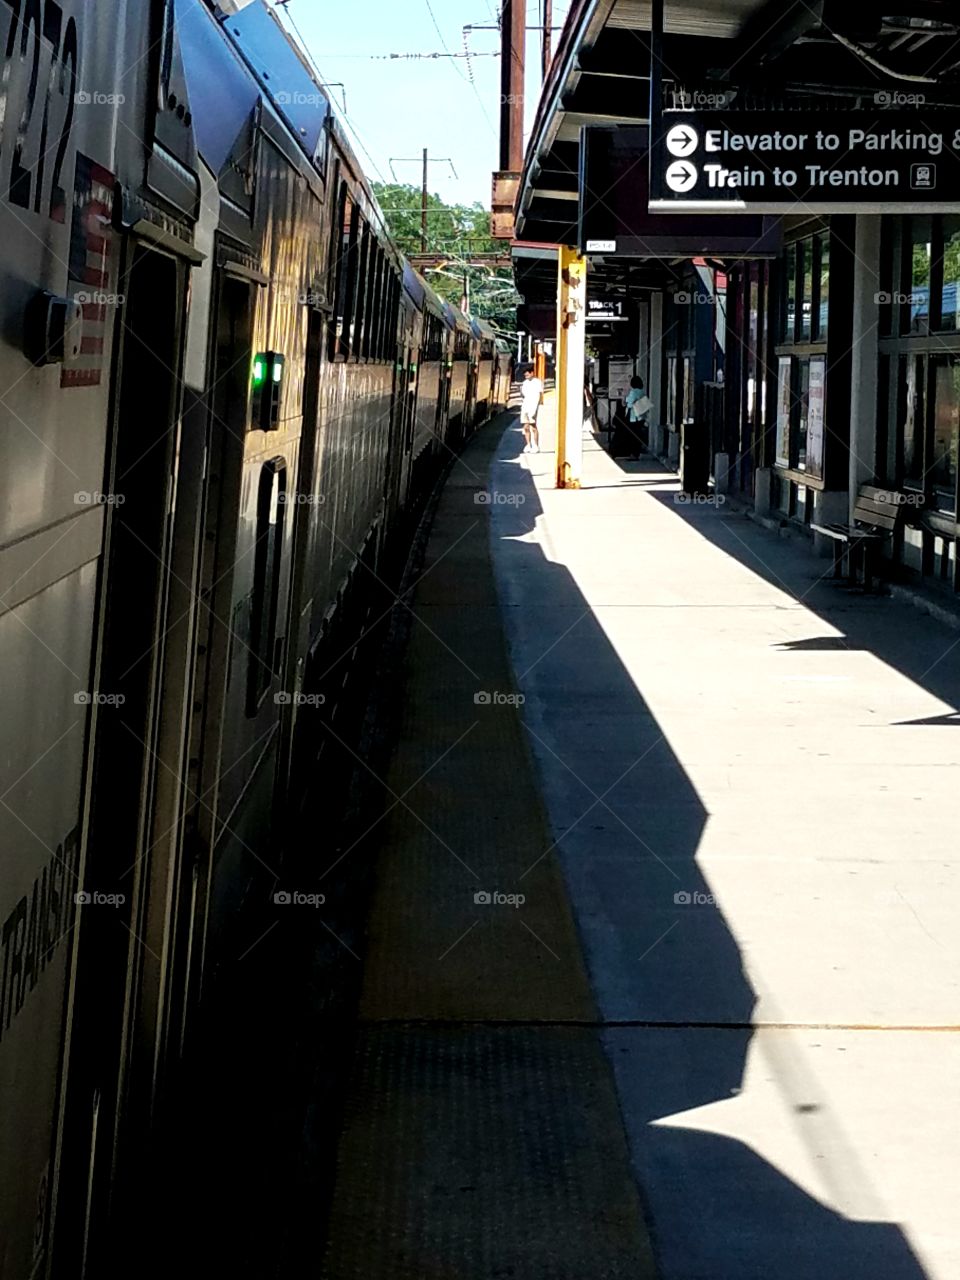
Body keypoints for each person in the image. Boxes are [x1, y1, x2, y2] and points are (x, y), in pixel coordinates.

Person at [520, 366, 544, 454]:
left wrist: (537, 407)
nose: (526, 376)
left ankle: (536, 445)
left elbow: (540, 395)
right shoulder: (524, 383)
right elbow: (523, 395)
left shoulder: (538, 382)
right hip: (525, 406)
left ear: (532, 373)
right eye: (525, 375)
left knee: (533, 426)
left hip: (533, 406)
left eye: (527, 374)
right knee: (526, 426)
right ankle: (528, 445)